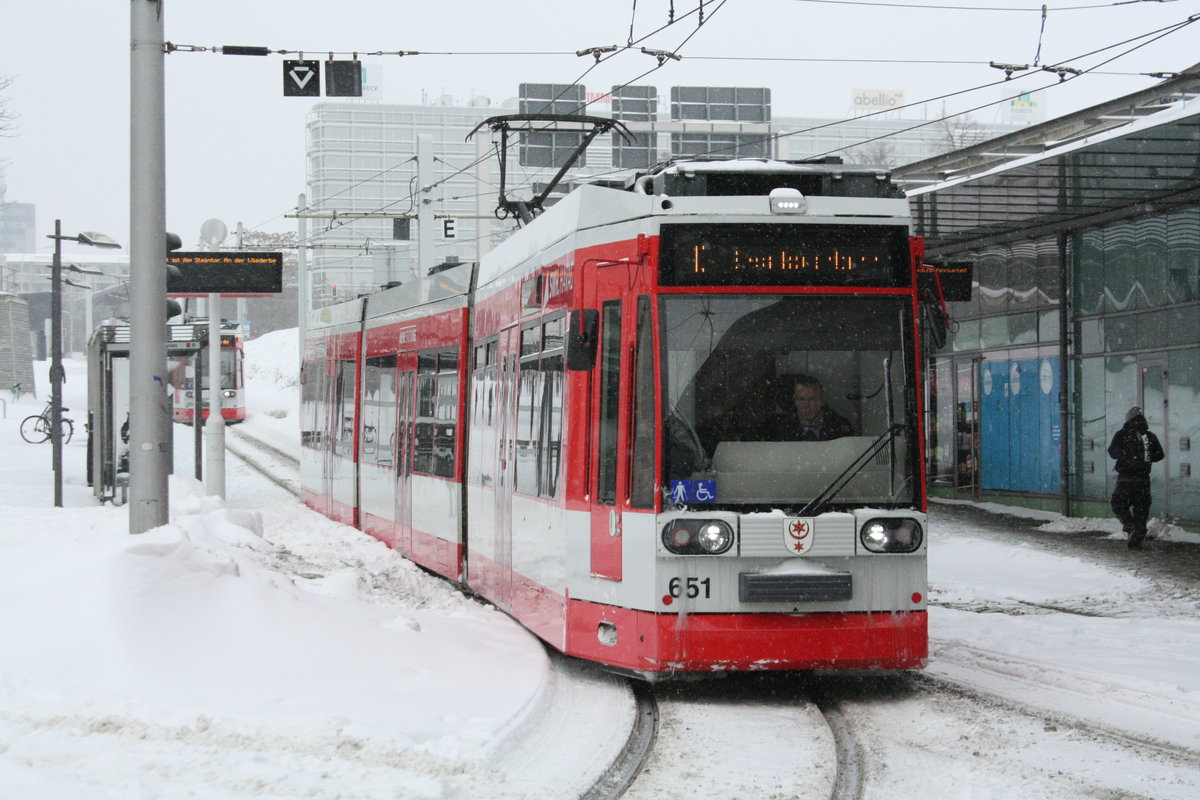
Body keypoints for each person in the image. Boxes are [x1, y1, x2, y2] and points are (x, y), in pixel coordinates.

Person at [1108, 406, 1164, 550]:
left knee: (1119, 504)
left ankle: (1130, 527)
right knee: (1141, 508)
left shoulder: (1121, 434)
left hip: (1126, 479)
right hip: (1143, 479)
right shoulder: (1149, 436)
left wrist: (1126, 456)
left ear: (1128, 420)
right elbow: (1159, 455)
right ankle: (1138, 534)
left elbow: (1112, 452)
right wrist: (1145, 458)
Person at [763, 374, 856, 441]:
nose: (806, 405)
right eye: (801, 399)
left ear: (822, 400)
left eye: (812, 399)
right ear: (795, 401)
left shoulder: (840, 426)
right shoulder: (780, 428)